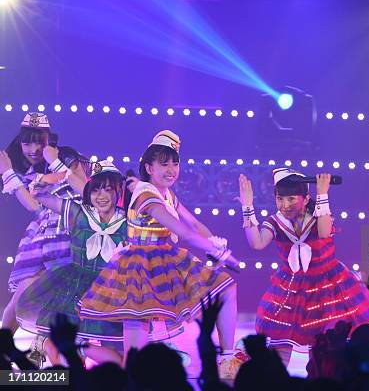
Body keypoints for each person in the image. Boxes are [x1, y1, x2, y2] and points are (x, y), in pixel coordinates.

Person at [76, 130, 243, 377]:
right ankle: (78, 348)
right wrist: (214, 250)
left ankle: (227, 361)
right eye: (164, 164)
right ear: (149, 167)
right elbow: (183, 232)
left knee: (226, 288)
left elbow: (194, 225)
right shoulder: (144, 193)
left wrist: (216, 243)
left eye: (175, 163)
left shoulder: (167, 194)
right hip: (139, 270)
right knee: (134, 359)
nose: (171, 170)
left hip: (165, 262)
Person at [238, 168, 369, 365]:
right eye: (280, 199)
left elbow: (324, 232)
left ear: (306, 199)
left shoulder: (320, 216)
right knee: (281, 343)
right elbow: (257, 243)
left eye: (291, 199)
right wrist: (248, 206)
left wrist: (323, 194)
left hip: (328, 286)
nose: (285, 205)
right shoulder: (276, 222)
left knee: (323, 346)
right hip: (291, 289)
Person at [16, 160, 128, 366]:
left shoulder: (128, 220)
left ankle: (78, 347)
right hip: (75, 288)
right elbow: (39, 195)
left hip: (110, 292)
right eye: (95, 190)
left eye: (108, 190)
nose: (101, 196)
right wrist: (52, 178)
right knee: (62, 348)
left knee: (117, 360)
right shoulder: (79, 212)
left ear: (118, 191)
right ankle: (67, 367)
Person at [0, 112, 88, 363]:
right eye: (27, 142)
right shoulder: (23, 169)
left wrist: (58, 164)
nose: (33, 148)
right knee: (21, 297)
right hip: (42, 238)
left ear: (49, 139)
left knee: (68, 304)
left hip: (71, 235)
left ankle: (68, 364)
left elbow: (85, 191)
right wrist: (8, 172)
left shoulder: (67, 156)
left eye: (39, 141)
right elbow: (33, 205)